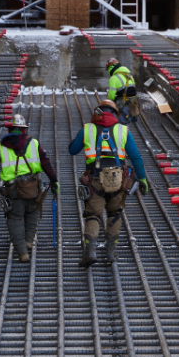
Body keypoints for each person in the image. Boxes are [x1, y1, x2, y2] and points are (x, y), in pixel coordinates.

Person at [69, 100, 149, 267]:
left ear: (98, 112)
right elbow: (135, 156)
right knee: (115, 213)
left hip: (95, 179)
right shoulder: (123, 130)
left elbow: (72, 150)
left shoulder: (87, 129)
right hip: (118, 179)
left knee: (93, 214)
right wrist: (142, 178)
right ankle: (111, 250)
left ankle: (90, 250)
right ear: (115, 113)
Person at [0, 115, 59, 263]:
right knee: (33, 211)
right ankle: (29, 241)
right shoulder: (34, 143)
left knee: (15, 218)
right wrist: (54, 180)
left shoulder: (2, 146)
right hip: (33, 186)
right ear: (24, 130)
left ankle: (23, 252)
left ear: (10, 129)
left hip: (13, 189)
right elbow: (46, 162)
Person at [105, 58, 139, 124]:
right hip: (133, 104)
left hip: (123, 105)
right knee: (125, 124)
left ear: (110, 68)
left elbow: (111, 96)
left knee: (121, 125)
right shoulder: (129, 76)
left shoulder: (114, 78)